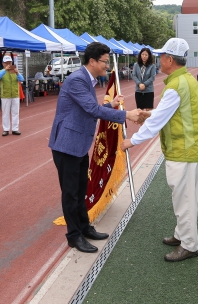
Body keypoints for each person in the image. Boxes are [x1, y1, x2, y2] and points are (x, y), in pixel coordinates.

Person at [49, 42, 146, 254]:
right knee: (71, 193)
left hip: (78, 144)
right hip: (67, 145)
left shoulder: (86, 80)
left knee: (81, 189)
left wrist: (111, 106)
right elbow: (91, 109)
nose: (107, 66)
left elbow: (88, 109)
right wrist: (126, 114)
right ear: (92, 61)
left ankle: (84, 227)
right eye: (104, 61)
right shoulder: (77, 80)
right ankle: (74, 236)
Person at [121, 37, 198, 262]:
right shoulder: (186, 80)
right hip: (191, 149)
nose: (158, 60)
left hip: (184, 151)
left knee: (184, 200)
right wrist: (150, 114)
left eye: (161, 57)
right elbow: (166, 114)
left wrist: (132, 141)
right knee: (185, 197)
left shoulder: (176, 86)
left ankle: (189, 244)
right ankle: (182, 235)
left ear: (169, 59)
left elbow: (157, 122)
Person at [0, 56, 23, 136]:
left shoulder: (14, 71)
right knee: (5, 113)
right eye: (6, 63)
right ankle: (6, 129)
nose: (8, 64)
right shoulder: (1, 71)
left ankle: (15, 129)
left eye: (10, 63)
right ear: (3, 63)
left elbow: (21, 79)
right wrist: (5, 70)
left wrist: (17, 72)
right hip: (5, 95)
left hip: (15, 94)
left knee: (15, 112)